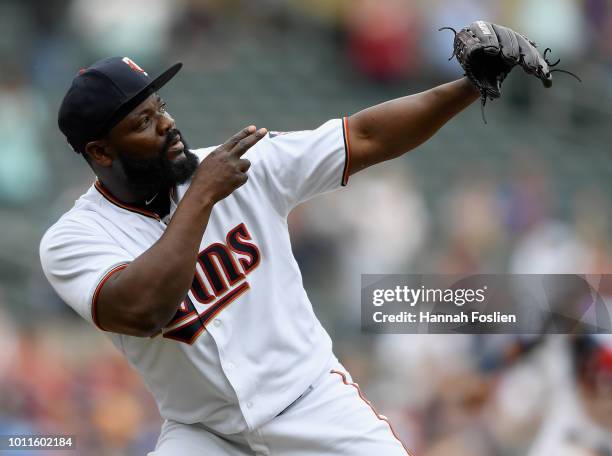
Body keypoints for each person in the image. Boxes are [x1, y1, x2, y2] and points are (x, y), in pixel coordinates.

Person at [39, 25, 548, 454]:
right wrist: (202, 197)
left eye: (162, 107)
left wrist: (467, 86)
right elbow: (144, 309)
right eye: (144, 122)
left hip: (309, 402)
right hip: (203, 434)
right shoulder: (74, 239)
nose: (168, 124)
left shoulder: (241, 166)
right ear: (101, 153)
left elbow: (364, 137)